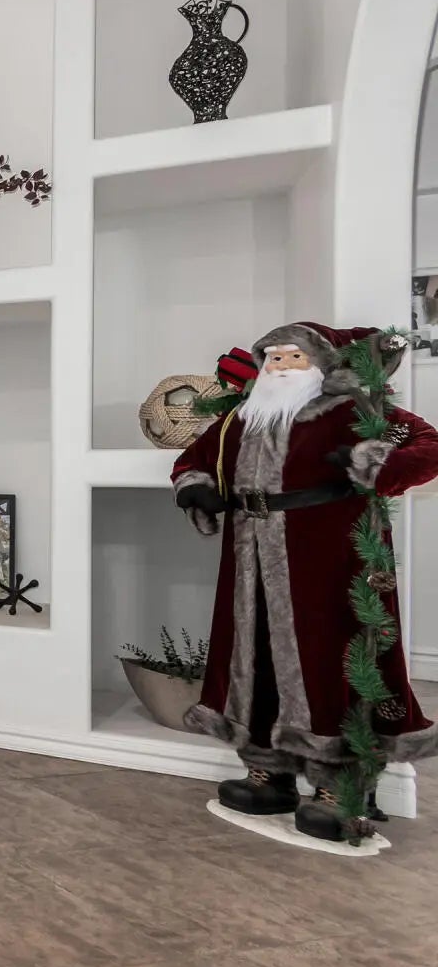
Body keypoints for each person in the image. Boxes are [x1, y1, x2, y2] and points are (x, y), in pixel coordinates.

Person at [171, 323, 438, 840]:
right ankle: (268, 771)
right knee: (254, 660)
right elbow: (195, 460)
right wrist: (194, 487)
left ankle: (340, 787)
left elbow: (428, 446)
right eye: (273, 358)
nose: (281, 367)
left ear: (321, 364)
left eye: (294, 357)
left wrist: (372, 464)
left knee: (327, 660)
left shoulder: (354, 411)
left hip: (327, 557)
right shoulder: (242, 417)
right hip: (249, 560)